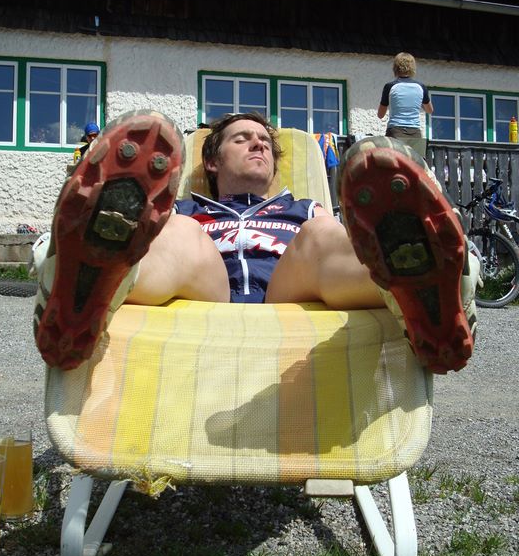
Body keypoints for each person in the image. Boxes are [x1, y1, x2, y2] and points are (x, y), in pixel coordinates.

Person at [32, 110, 478, 376]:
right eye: (242, 139)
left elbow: (333, 247)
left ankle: (419, 284)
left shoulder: (302, 209)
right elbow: (175, 235)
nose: (258, 145)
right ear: (212, 160)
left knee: (322, 234)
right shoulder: (180, 211)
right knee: (179, 233)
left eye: (265, 141)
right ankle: (93, 275)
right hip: (209, 294)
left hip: (289, 292)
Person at [378, 52, 433, 157]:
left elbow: (380, 115)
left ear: (395, 67)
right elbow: (429, 110)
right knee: (416, 164)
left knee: (393, 163)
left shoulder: (390, 87)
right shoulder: (421, 87)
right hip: (415, 133)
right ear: (413, 68)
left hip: (395, 131)